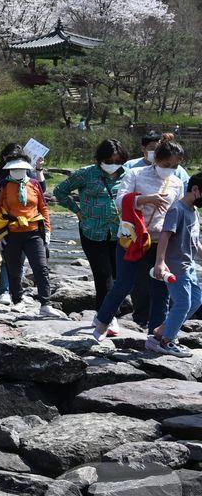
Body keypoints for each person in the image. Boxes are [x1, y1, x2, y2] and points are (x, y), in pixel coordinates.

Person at [93, 138, 188, 343]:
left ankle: (154, 337)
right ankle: (101, 322)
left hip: (159, 242)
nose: (170, 169)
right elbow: (120, 201)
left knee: (160, 290)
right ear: (156, 160)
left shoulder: (177, 183)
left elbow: (177, 213)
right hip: (132, 238)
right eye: (166, 165)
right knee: (124, 284)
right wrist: (146, 199)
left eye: (174, 166)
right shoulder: (135, 174)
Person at [54, 139, 127, 313]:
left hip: (119, 232)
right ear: (100, 159)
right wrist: (77, 211)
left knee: (118, 275)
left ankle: (110, 313)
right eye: (109, 161)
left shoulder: (128, 174)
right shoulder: (86, 174)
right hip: (92, 231)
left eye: (117, 161)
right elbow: (60, 191)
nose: (113, 165)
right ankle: (106, 316)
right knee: (103, 274)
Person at [0, 157, 60, 316]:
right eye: (14, 170)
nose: (17, 172)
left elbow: (43, 208)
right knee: (14, 269)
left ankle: (45, 304)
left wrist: (48, 230)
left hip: (34, 231)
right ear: (9, 170)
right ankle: (18, 301)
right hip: (11, 232)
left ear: (26, 170)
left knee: (41, 267)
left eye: (20, 169)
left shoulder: (34, 184)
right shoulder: (4, 185)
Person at [154, 172, 202, 356]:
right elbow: (165, 235)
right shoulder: (177, 209)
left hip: (188, 265)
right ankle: (166, 341)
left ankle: (161, 332)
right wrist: (160, 262)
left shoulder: (193, 211)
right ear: (195, 189)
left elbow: (195, 242)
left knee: (196, 300)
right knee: (183, 302)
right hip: (175, 265)